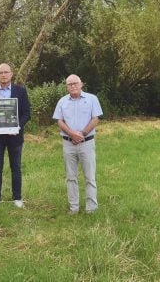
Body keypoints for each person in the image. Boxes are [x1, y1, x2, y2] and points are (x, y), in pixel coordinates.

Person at [0, 63, 31, 209]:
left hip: (14, 136)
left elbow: (27, 113)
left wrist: (17, 125)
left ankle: (17, 198)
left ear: (11, 74)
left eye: (6, 72)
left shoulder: (20, 91)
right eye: (0, 72)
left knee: (16, 167)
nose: (3, 75)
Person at [52, 74, 103, 214]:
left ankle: (91, 208)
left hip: (87, 142)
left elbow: (95, 118)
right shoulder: (62, 102)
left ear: (81, 84)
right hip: (68, 144)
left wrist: (82, 134)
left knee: (90, 176)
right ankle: (73, 208)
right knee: (71, 177)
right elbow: (59, 121)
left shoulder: (92, 99)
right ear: (66, 87)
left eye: (75, 83)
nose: (73, 86)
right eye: (70, 84)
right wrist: (71, 134)